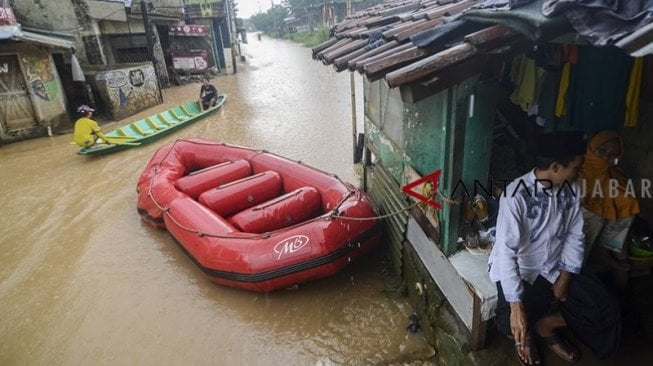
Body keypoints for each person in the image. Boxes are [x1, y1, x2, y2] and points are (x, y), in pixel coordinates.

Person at [489, 131, 621, 366]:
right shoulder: (515, 196)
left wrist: (565, 277)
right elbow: (506, 252)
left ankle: (545, 326)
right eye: (577, 167)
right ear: (556, 167)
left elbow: (574, 234)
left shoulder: (571, 190)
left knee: (603, 308)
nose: (579, 172)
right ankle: (526, 331)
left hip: (554, 267)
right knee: (506, 319)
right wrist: (516, 306)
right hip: (522, 269)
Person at [581, 131, 639, 286]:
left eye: (613, 155)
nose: (606, 158)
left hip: (608, 231)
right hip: (582, 232)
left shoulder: (614, 174)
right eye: (602, 151)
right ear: (591, 149)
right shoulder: (578, 170)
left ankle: (605, 253)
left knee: (626, 204)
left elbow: (626, 201)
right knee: (594, 216)